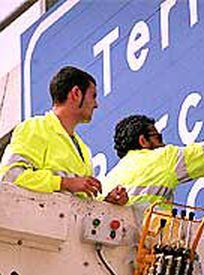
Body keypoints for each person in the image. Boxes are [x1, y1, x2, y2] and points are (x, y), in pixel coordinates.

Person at [0, 66, 127, 205]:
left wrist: (107, 203)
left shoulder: (83, 149)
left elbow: (83, 206)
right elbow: (10, 176)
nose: (96, 104)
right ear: (76, 93)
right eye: (93, 96)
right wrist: (64, 183)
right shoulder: (35, 127)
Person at [101, 114, 204, 210]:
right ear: (143, 141)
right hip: (150, 246)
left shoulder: (108, 181)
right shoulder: (162, 158)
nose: (163, 144)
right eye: (158, 138)